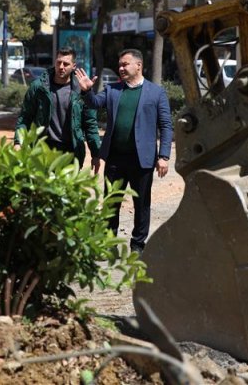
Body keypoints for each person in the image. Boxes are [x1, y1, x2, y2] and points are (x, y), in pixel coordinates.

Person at [75, 49, 174, 253]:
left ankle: (137, 244)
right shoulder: (113, 90)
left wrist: (164, 156)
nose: (121, 68)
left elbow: (166, 125)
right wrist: (86, 91)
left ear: (138, 65)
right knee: (111, 202)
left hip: (142, 159)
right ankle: (109, 245)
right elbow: (94, 103)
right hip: (115, 158)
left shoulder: (156, 93)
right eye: (119, 65)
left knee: (141, 204)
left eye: (125, 64)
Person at [15, 47, 101, 172]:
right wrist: (18, 141)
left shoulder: (81, 90)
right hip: (43, 148)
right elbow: (25, 117)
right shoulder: (38, 87)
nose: (61, 67)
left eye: (66, 64)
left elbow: (90, 124)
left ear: (74, 66)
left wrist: (96, 153)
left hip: (71, 151)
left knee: (67, 191)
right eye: (58, 62)